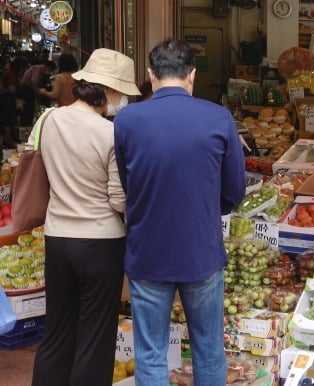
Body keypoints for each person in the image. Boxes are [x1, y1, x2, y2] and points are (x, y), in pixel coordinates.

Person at [114, 39, 246, 386]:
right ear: (192, 75)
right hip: (200, 251)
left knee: (151, 354)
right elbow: (234, 189)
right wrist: (204, 209)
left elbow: (130, 185)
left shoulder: (127, 119)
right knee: (208, 349)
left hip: (148, 252)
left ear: (150, 75)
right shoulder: (217, 117)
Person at [31, 48, 141, 386]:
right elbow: (118, 201)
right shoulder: (109, 134)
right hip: (100, 241)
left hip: (58, 237)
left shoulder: (49, 119)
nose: (122, 99)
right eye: (121, 92)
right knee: (94, 335)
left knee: (58, 329)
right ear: (108, 90)